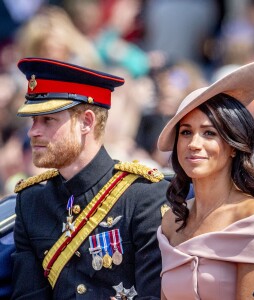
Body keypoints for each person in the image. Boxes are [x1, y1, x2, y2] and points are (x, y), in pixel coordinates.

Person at [11, 57, 169, 299]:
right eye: (33, 120)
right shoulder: (31, 201)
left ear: (86, 122)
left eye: (48, 120)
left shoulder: (144, 196)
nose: (33, 131)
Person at [156, 60, 254, 300]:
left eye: (209, 133)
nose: (194, 144)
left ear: (233, 146)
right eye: (186, 132)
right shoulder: (171, 221)